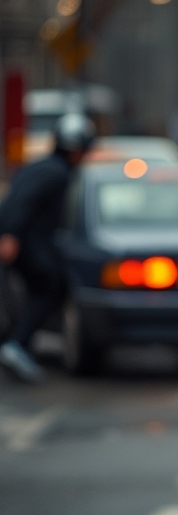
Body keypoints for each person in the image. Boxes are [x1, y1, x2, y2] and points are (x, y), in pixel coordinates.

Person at [0, 112, 95, 382]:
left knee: (32, 294)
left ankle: (20, 346)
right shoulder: (57, 173)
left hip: (27, 243)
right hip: (31, 245)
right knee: (46, 292)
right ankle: (17, 345)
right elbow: (23, 201)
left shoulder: (41, 166)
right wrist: (11, 235)